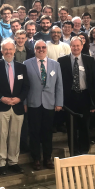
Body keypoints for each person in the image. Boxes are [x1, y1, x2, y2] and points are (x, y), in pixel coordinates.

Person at [0, 38, 30, 175]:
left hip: (17, 107)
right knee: (1, 135)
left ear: (15, 50)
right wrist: (2, 98)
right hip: (1, 106)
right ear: (1, 51)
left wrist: (19, 99)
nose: (8, 51)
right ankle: (0, 164)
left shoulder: (21, 67)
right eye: (5, 49)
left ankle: (13, 162)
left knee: (15, 135)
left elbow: (26, 87)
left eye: (11, 49)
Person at [24, 40, 63, 170]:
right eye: (38, 47)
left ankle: (47, 158)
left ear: (46, 49)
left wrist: (59, 102)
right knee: (34, 132)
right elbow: (24, 87)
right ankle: (36, 159)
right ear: (34, 49)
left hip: (50, 104)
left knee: (47, 132)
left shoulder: (55, 65)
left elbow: (59, 85)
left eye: (43, 47)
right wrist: (24, 103)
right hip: (33, 103)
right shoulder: (26, 64)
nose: (41, 49)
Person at [58, 37, 95, 156]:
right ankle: (74, 151)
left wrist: (94, 101)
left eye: (78, 46)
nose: (76, 48)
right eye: (73, 45)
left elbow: (93, 81)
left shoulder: (89, 60)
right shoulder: (62, 61)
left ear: (82, 46)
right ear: (70, 46)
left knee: (84, 125)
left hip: (84, 96)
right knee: (71, 126)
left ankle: (84, 150)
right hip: (69, 97)